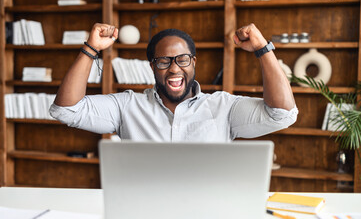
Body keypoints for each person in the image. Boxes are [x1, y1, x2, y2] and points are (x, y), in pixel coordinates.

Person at [49, 23, 298, 142]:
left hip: (207, 213)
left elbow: (282, 115)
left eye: (182, 59)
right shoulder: (126, 106)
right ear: (152, 67)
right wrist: (92, 48)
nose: (174, 69)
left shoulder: (224, 107)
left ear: (194, 63)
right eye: (164, 61)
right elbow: (66, 109)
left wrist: (262, 49)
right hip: (144, 212)